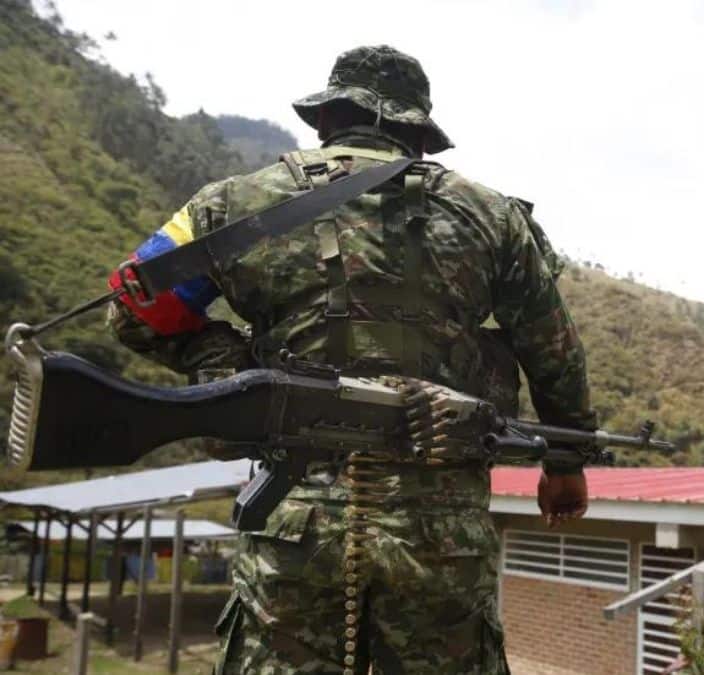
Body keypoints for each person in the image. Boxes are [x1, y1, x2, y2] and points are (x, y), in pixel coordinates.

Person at [106, 45, 596, 674]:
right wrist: (564, 460)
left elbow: (132, 309)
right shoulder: (492, 216)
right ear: (419, 131)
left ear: (325, 121)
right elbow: (551, 347)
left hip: (293, 521)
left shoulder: (233, 203)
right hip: (439, 533)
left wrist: (229, 360)